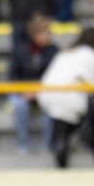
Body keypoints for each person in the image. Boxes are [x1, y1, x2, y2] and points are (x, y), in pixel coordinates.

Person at [37, 28, 94, 168]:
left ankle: (61, 159)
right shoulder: (91, 55)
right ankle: (63, 165)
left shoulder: (67, 52)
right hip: (69, 97)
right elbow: (92, 85)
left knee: (61, 131)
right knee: (64, 134)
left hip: (48, 93)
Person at [10, 14, 58, 153]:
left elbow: (55, 76)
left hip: (45, 92)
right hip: (23, 91)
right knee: (19, 106)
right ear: (34, 34)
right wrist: (23, 91)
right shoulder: (20, 49)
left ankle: (47, 145)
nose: (48, 35)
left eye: (49, 32)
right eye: (44, 32)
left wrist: (39, 91)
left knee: (51, 106)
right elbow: (13, 76)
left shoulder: (54, 50)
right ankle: (23, 144)